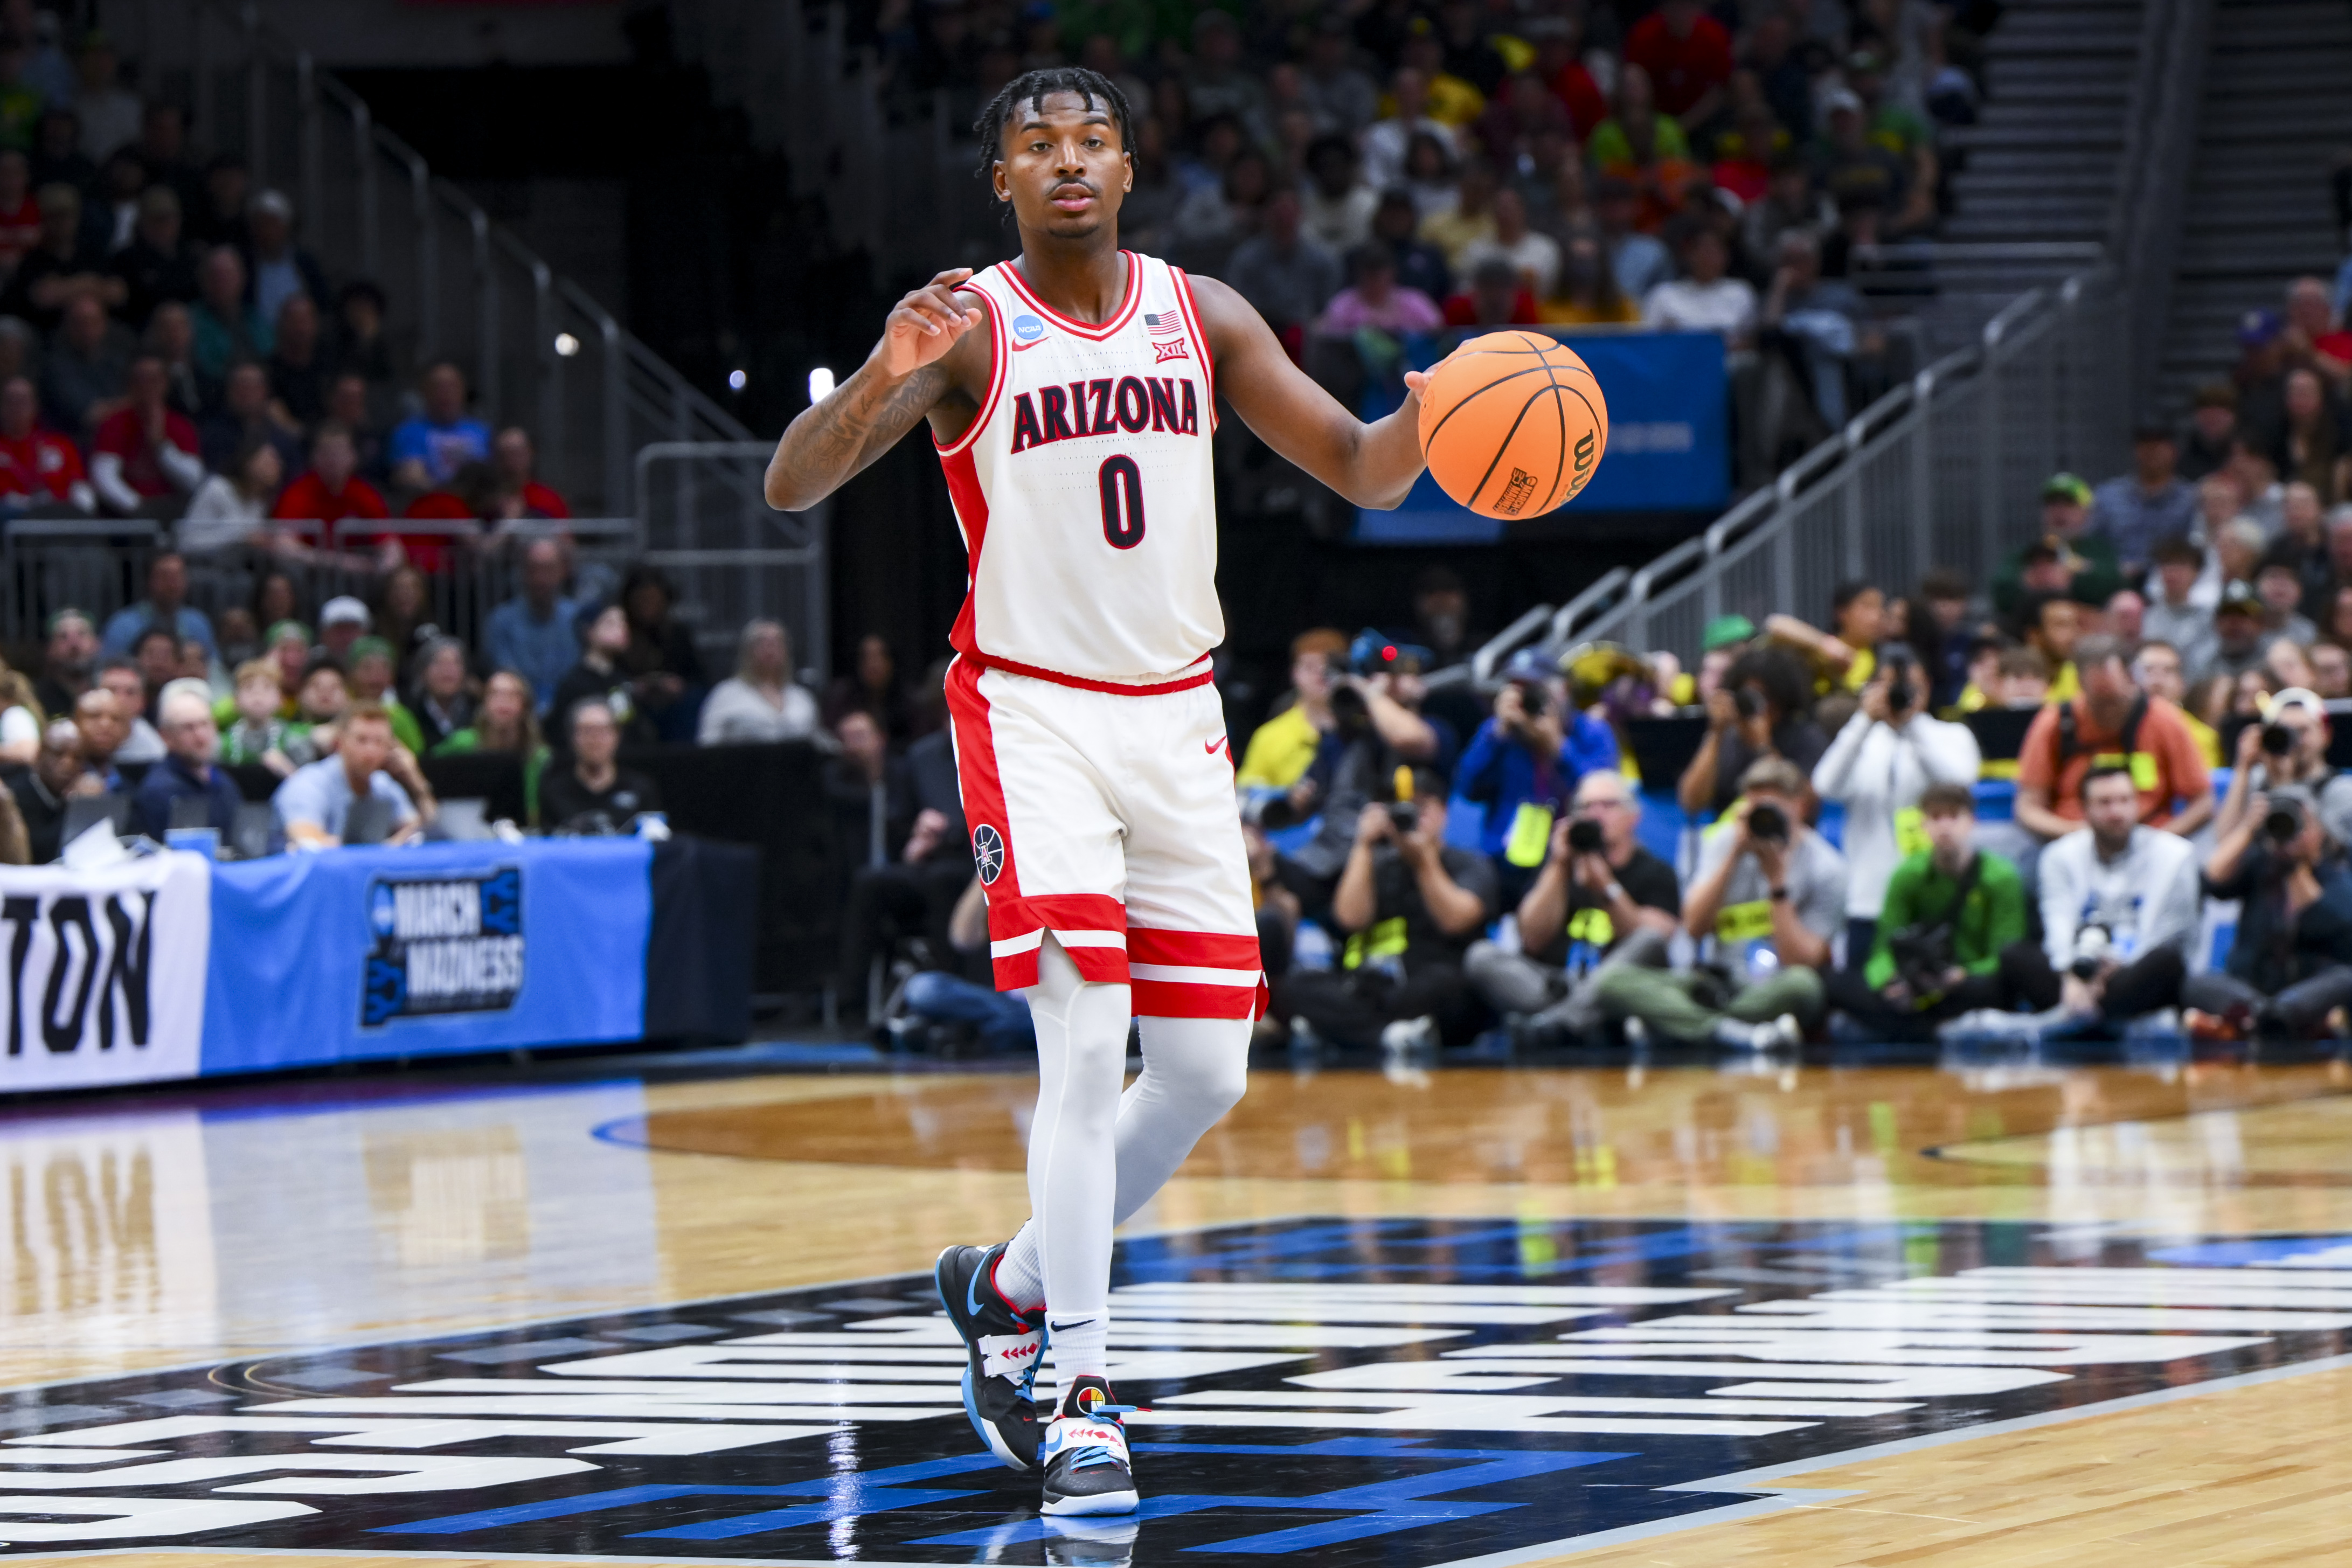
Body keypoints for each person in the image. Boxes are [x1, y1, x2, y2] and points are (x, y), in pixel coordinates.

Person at [762, 66, 1437, 1517]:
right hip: (1031, 711)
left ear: (1128, 168)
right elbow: (791, 487)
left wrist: (1454, 413)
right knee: (1083, 1048)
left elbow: (1364, 470)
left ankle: (1003, 1281)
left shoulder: (1205, 315)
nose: (1066, 163)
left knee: (1205, 1072)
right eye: (1034, 146)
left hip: (1178, 713)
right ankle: (1073, 1385)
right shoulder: (964, 332)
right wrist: (881, 376)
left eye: (1091, 142)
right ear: (996, 180)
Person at [1598, 757, 1841, 1050]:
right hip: (1712, 983)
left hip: (1773, 988)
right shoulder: (1723, 843)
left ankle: (1681, 1025)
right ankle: (1733, 1032)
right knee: (1611, 982)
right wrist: (1732, 858)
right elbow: (1694, 927)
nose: (1763, 819)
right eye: (1755, 808)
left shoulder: (1827, 867)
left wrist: (1778, 886)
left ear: (1800, 806)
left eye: (1772, 809)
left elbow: (1802, 962)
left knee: (1806, 987)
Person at [1274, 770, 1497, 1052]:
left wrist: (1424, 862)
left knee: (1452, 987)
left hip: (1430, 983)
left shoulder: (1468, 863)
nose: (1410, 817)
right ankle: (1389, 1036)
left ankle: (1346, 1030)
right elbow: (1350, 919)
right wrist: (1363, 844)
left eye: (1421, 808)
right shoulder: (1375, 864)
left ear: (1443, 812)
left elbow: (1457, 920)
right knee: (1298, 985)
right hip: (1373, 982)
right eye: (1401, 810)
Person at [1465, 768, 1679, 1045]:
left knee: (1645, 943)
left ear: (1633, 817)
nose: (1596, 814)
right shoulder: (1557, 865)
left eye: (1608, 805)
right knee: (1481, 956)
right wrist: (1558, 866)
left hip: (1618, 987)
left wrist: (1605, 887)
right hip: (1558, 985)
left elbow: (1656, 940)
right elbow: (1532, 937)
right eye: (1586, 807)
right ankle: (1575, 1020)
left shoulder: (1656, 872)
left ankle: (1557, 1024)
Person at [1810, 650, 1981, 963]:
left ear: (1927, 686)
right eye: (1890, 687)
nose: (1901, 695)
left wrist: (1911, 725)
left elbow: (1959, 784)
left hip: (1935, 895)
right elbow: (1825, 786)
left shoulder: (1952, 735)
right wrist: (1864, 720)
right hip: (1868, 898)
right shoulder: (1860, 741)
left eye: (1910, 687)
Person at [1822, 783, 2030, 1040]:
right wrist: (1891, 980)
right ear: (1923, 825)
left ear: (1972, 823)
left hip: (1969, 983)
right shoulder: (1907, 875)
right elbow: (1883, 950)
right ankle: (1943, 1031)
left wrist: (1961, 977)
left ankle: (1911, 1031)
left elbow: (2006, 954)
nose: (1945, 827)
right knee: (1834, 982)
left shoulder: (2001, 877)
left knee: (2001, 982)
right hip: (1918, 986)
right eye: (1935, 818)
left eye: (1954, 817)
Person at [2022, 766, 2198, 1029]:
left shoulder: (2174, 855)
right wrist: (2074, 974)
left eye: (2125, 801)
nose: (2116, 812)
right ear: (2084, 809)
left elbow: (2167, 936)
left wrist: (2113, 969)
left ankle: (2078, 1021)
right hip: (2077, 973)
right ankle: (2088, 1014)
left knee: (2167, 961)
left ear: (2138, 804)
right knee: (2016, 956)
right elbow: (2057, 926)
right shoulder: (2059, 856)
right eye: (2104, 803)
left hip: (2137, 973)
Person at [2183, 784, 2352, 1040]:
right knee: (2197, 983)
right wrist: (2249, 828)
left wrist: (2296, 865)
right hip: (2251, 989)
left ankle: (2262, 1018)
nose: (2288, 834)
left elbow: (2334, 924)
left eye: (2299, 824)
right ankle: (2268, 1016)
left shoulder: (2334, 875)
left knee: (2345, 979)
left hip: (2307, 991)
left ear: (2319, 829)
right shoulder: (2260, 864)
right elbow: (2212, 878)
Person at [1455, 647, 1620, 905]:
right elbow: (1467, 788)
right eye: (1517, 688)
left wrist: (1558, 746)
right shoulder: (1499, 733)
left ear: (1562, 690)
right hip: (1504, 857)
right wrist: (1496, 735)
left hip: (1570, 856)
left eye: (1534, 687)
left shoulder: (1591, 733)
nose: (1526, 696)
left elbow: (1601, 793)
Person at [2013, 634, 2212, 841]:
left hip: (2151, 839)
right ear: (2081, 686)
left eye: (2115, 700)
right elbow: (2027, 807)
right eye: (2099, 702)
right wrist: (2077, 836)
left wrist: (2156, 843)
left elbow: (2203, 803)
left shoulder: (2165, 720)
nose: (2108, 711)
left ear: (2131, 679)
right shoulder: (2055, 723)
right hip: (2073, 843)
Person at [1677, 646, 1827, 817]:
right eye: (1749, 696)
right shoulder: (1728, 738)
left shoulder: (1806, 737)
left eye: (1765, 696)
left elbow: (1806, 805)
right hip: (1732, 837)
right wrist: (1716, 733)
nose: (1759, 705)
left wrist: (1762, 747)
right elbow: (1691, 802)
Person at [273, 703, 430, 847]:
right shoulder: (308, 784)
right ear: (339, 742)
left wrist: (415, 780)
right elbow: (307, 843)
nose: (371, 752)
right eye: (362, 740)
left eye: (380, 742)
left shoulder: (382, 784)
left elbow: (423, 831)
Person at [1990, 473, 2124, 618]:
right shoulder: (2027, 552)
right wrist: (2031, 581)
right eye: (2052, 504)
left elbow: (2117, 584)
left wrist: (2072, 578)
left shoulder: (2098, 550)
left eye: (2068, 504)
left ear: (2086, 512)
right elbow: (2001, 590)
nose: (2059, 511)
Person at [432, 669, 549, 826]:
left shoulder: (541, 757)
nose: (504, 702)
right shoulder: (461, 744)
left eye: (512, 695)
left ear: (525, 705)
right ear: (485, 703)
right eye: (496, 694)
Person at [89, 355, 202, 516]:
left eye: (154, 380)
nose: (147, 387)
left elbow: (194, 480)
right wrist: (139, 507)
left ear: (166, 384)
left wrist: (161, 447)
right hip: (127, 512)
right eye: (141, 380)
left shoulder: (181, 426)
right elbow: (104, 478)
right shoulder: (114, 424)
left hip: (174, 511)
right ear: (130, 385)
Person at [2086, 422, 2197, 578]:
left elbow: (2195, 549)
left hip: (2171, 581)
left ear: (2174, 450)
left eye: (2159, 444)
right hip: (2117, 582)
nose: (2152, 451)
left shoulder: (2191, 498)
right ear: (2135, 450)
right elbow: (2092, 547)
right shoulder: (2108, 496)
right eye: (2145, 444)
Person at [135, 678, 241, 838]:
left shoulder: (224, 782)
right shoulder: (159, 790)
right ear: (166, 737)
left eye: (205, 724)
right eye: (188, 728)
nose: (201, 736)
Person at [482, 537, 578, 713]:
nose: (541, 579)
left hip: (569, 716)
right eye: (534, 569)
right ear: (523, 573)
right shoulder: (500, 622)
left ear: (563, 571)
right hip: (518, 715)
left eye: (548, 569)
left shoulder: (577, 620)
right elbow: (507, 677)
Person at [538, 697, 660, 831]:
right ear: (572, 736)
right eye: (587, 731)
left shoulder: (640, 788)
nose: (595, 740)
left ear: (617, 735)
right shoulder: (554, 792)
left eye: (603, 730)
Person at [699, 618, 819, 744]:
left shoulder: (802, 698)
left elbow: (816, 741)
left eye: (776, 643)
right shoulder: (725, 695)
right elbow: (708, 743)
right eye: (762, 642)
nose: (770, 649)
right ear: (748, 651)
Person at [388, 361, 491, 494]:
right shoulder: (408, 433)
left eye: (452, 387)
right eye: (438, 387)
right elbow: (411, 476)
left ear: (463, 392)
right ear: (425, 393)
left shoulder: (482, 432)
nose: (446, 393)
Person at [0, 372, 91, 512]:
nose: (17, 408)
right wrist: (33, 505)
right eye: (11, 402)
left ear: (35, 406)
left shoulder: (60, 445)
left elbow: (79, 487)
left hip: (60, 520)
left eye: (23, 401)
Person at [178, 433, 282, 554]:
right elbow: (186, 542)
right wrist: (240, 537)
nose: (277, 466)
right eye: (270, 459)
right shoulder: (218, 489)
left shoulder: (260, 503)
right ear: (249, 461)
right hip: (205, 566)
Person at [100, 552, 214, 661]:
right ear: (149, 581)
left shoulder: (198, 623)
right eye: (165, 577)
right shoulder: (122, 625)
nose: (172, 584)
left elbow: (215, 669)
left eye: (178, 576)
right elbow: (109, 670)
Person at [2142, 536, 2218, 679]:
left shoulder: (2208, 619)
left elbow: (2204, 665)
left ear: (2196, 573)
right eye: (2167, 564)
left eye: (2181, 564)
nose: (2172, 571)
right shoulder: (2147, 615)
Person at [217, 657, 308, 775]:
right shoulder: (222, 745)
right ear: (236, 700)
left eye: (267, 687)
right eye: (249, 688)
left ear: (281, 700)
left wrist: (287, 769)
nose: (258, 694)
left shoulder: (294, 740)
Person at [11, 719, 85, 862]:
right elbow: (39, 852)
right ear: (39, 755)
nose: (68, 764)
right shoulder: (15, 794)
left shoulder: (67, 795)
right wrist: (78, 810)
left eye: (77, 758)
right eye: (58, 754)